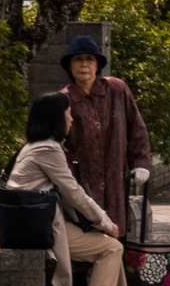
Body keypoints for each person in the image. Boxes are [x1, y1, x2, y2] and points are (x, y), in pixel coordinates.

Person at [7, 93, 138, 286]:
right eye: (68, 114)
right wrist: (106, 222)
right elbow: (74, 194)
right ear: (56, 118)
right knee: (112, 247)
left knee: (109, 245)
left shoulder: (32, 147)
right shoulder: (48, 149)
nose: (71, 119)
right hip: (42, 228)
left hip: (34, 222)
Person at [59, 35, 152, 242]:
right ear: (70, 65)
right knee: (86, 248)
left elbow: (137, 128)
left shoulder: (117, 90)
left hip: (115, 187)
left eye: (89, 59)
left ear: (97, 64)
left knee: (117, 243)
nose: (84, 64)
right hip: (82, 189)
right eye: (78, 59)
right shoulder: (63, 99)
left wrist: (140, 163)